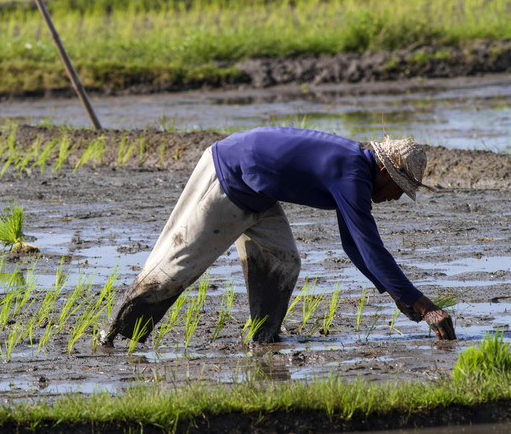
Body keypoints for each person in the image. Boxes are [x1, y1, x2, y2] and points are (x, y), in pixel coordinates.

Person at [101, 126, 456, 346]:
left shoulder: (354, 167)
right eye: (398, 187)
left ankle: (264, 338)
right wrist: (424, 306)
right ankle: (112, 336)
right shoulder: (351, 175)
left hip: (256, 192)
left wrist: (399, 295)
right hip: (227, 177)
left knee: (282, 260)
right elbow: (369, 247)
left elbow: (353, 245)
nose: (396, 197)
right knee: (176, 266)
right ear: (384, 170)